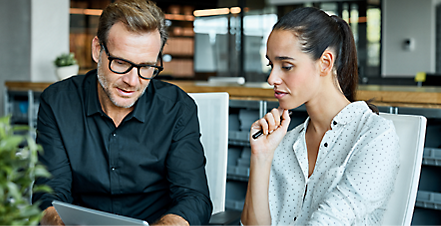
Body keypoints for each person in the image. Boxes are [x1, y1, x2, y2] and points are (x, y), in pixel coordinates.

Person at [31, 0, 212, 225]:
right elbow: (49, 194)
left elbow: (193, 198)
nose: (132, 81)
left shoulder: (177, 108)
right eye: (120, 62)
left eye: (146, 66)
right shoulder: (58, 102)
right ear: (98, 50)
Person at [240, 7, 399, 226]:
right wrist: (261, 156)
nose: (271, 78)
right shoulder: (284, 142)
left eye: (286, 66)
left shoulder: (375, 137)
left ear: (325, 63)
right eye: (271, 65)